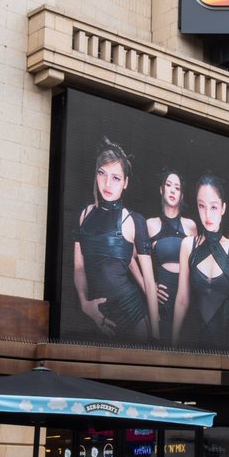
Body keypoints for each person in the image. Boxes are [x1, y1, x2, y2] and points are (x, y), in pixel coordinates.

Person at [73, 141, 159, 341]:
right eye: (102, 174)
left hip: (131, 314)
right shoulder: (85, 214)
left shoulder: (134, 220)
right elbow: (78, 268)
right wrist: (85, 305)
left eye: (116, 178)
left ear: (126, 182)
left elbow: (148, 280)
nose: (108, 184)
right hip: (96, 314)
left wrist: (157, 336)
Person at [173, 174, 229, 348]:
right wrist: (171, 345)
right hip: (190, 342)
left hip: (225, 346)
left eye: (213, 207)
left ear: (223, 208)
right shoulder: (187, 245)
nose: (207, 214)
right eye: (201, 206)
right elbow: (182, 299)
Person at [146, 169, 198, 335]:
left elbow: (198, 266)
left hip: (187, 294)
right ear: (162, 190)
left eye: (177, 187)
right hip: (163, 296)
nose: (173, 190)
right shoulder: (150, 224)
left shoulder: (191, 226)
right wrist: (150, 287)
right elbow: (133, 260)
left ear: (182, 195)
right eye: (168, 185)